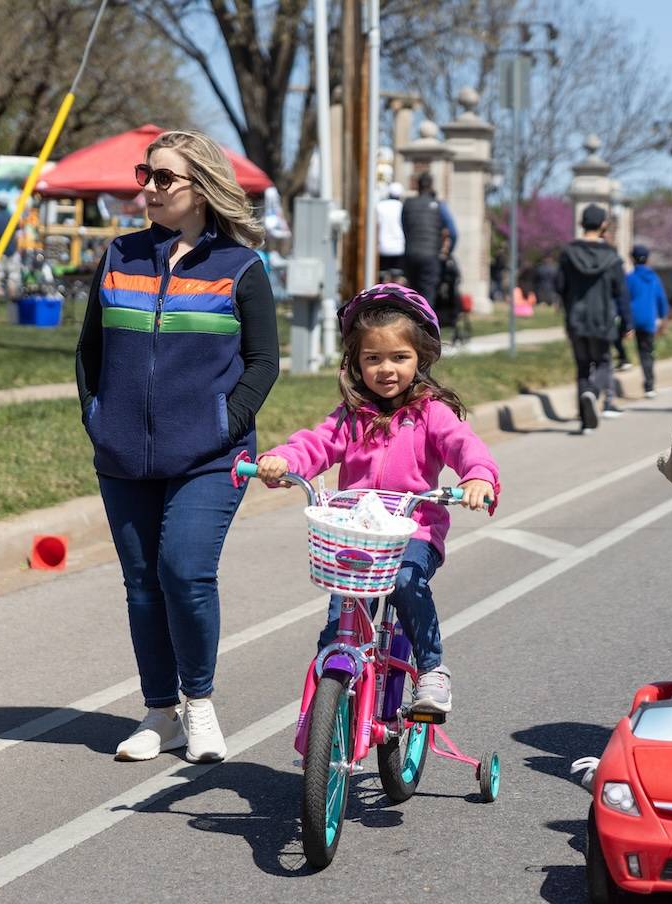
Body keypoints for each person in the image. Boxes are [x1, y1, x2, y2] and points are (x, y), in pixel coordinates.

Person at [75, 129, 279, 763]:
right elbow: (89, 351)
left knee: (185, 572)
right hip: (123, 456)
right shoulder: (120, 256)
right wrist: (98, 416)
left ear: (202, 188)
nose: (150, 189)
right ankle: (159, 712)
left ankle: (202, 704)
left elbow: (263, 362)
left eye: (164, 178)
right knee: (141, 585)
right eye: (147, 175)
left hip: (214, 457)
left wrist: (226, 424)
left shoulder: (240, 268)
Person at [254, 284, 499, 715]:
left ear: (419, 358)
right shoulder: (351, 415)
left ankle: (431, 668)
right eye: (373, 359)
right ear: (356, 363)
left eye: (399, 357)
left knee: (406, 582)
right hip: (357, 536)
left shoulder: (431, 413)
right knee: (339, 619)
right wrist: (281, 461)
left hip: (414, 531)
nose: (386, 369)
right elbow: (314, 445)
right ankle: (331, 708)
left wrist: (478, 478)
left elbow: (466, 448)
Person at [557, 204, 632, 433]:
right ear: (603, 225)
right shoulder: (611, 256)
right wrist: (627, 323)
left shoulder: (568, 253)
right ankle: (592, 392)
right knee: (602, 362)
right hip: (603, 319)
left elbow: (560, 286)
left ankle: (585, 421)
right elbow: (621, 292)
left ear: (581, 224)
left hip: (576, 319)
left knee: (581, 366)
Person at [401, 172, 457, 304]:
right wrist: (447, 252)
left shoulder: (408, 204)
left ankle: (414, 323)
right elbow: (453, 233)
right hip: (430, 256)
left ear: (417, 186)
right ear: (431, 186)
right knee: (427, 295)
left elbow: (404, 227)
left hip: (410, 254)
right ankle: (427, 323)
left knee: (413, 296)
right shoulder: (439, 206)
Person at [625, 244, 668, 398]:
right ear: (648, 259)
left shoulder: (629, 278)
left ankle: (624, 360)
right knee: (648, 352)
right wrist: (663, 317)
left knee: (640, 350)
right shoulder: (654, 278)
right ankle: (649, 386)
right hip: (649, 320)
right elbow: (661, 299)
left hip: (634, 320)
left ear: (632, 259)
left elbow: (624, 299)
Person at [377, 182, 406, 278]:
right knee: (396, 278)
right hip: (399, 247)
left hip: (382, 246)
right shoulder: (402, 207)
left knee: (381, 277)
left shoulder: (380, 206)